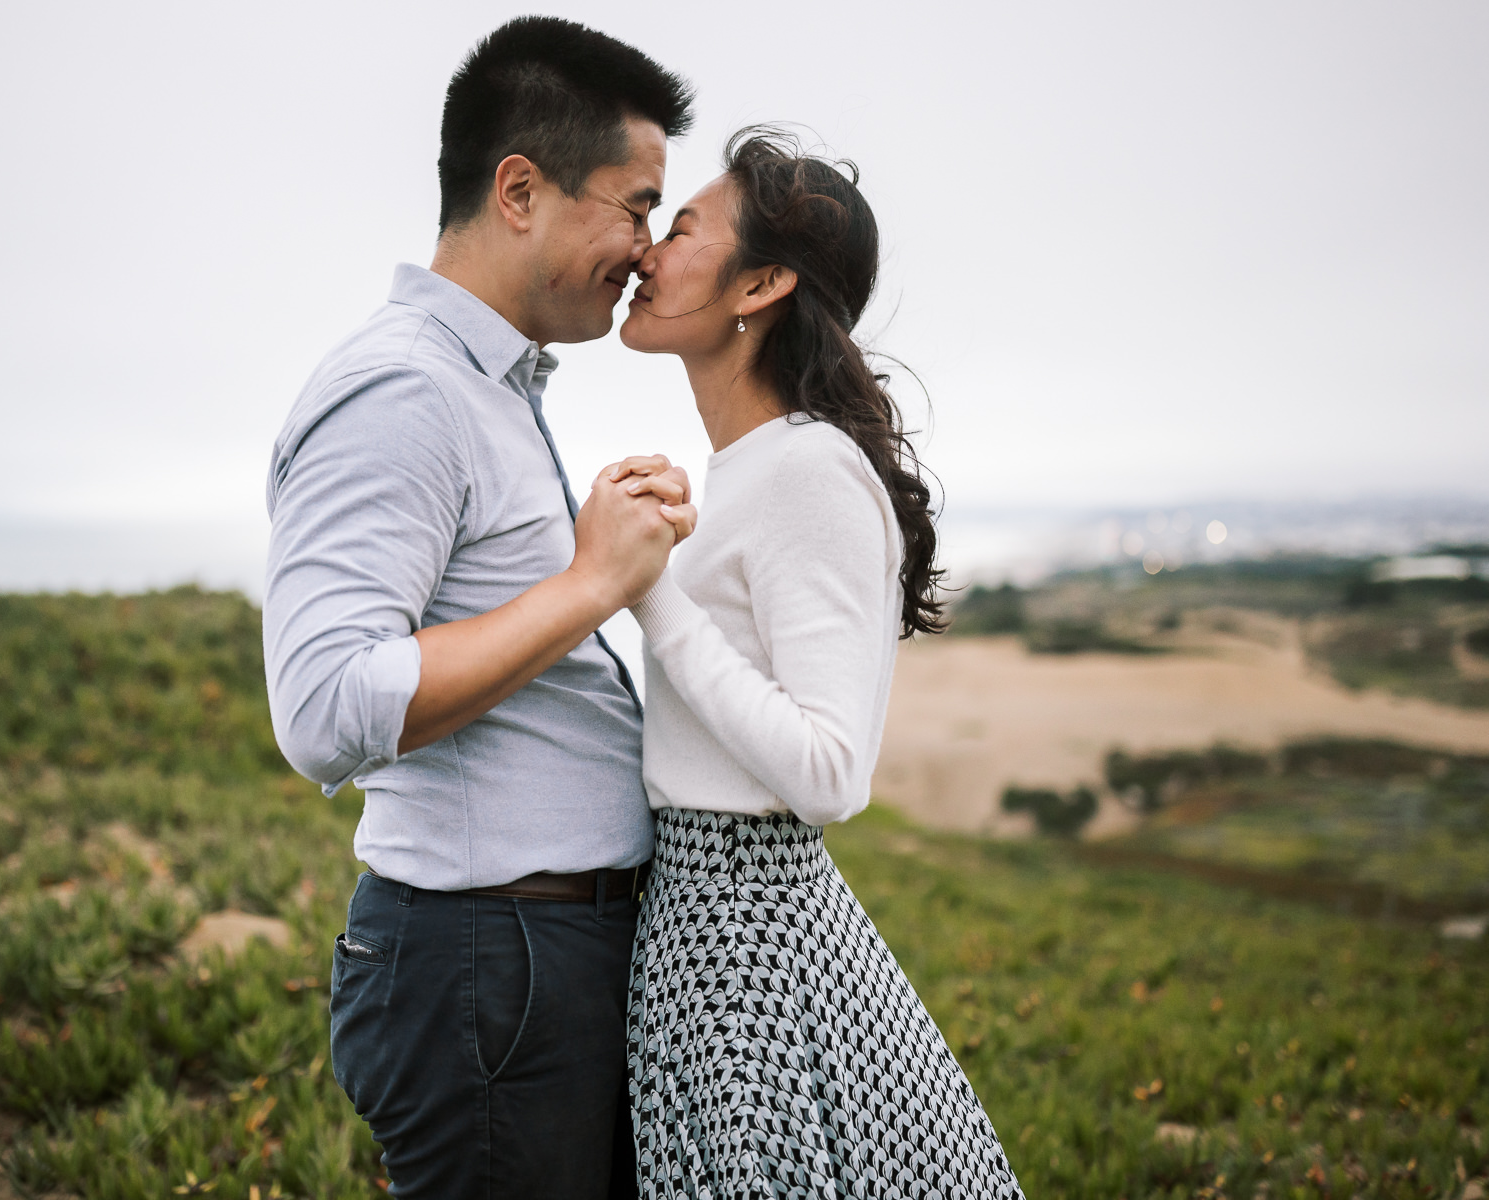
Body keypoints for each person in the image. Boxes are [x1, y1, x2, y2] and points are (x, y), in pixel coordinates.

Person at [261, 17, 698, 1200]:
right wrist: (587, 586)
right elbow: (321, 705)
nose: (647, 250)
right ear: (519, 190)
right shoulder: (404, 390)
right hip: (485, 961)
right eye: (635, 205)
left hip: (530, 957)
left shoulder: (487, 387)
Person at [616, 129, 1027, 1198]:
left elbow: (830, 772)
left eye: (681, 229)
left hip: (756, 943)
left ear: (759, 283)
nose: (646, 254)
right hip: (706, 926)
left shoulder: (807, 471)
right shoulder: (749, 470)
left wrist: (650, 593)